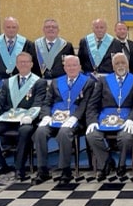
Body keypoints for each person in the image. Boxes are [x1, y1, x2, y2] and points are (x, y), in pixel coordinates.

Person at [0, 52, 47, 179]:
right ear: (16, 65)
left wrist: (30, 117)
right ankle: (0, 166)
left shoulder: (39, 82)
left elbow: (38, 103)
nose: (23, 64)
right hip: (8, 118)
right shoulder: (8, 82)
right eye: (20, 62)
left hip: (27, 119)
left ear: (31, 64)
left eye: (26, 62)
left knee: (25, 131)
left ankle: (19, 168)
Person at [32, 55, 95, 184]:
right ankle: (42, 170)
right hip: (54, 118)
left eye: (74, 65)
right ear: (64, 67)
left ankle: (65, 170)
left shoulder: (88, 82)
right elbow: (47, 102)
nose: (71, 68)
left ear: (80, 67)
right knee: (40, 132)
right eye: (68, 65)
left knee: (64, 133)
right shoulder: (56, 82)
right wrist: (46, 116)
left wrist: (74, 118)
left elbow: (85, 104)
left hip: (75, 120)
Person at [86, 53, 133, 180]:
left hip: (126, 117)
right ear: (112, 66)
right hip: (105, 118)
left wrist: (132, 119)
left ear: (128, 64)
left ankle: (122, 164)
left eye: (123, 63)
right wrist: (92, 120)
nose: (120, 65)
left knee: (126, 137)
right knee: (92, 135)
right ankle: (106, 162)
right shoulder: (103, 81)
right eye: (117, 63)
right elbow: (93, 104)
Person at [0, 16, 38, 99]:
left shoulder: (27, 44)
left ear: (18, 28)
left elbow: (33, 66)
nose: (11, 30)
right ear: (3, 28)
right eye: (8, 27)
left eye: (14, 27)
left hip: (21, 83)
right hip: (0, 83)